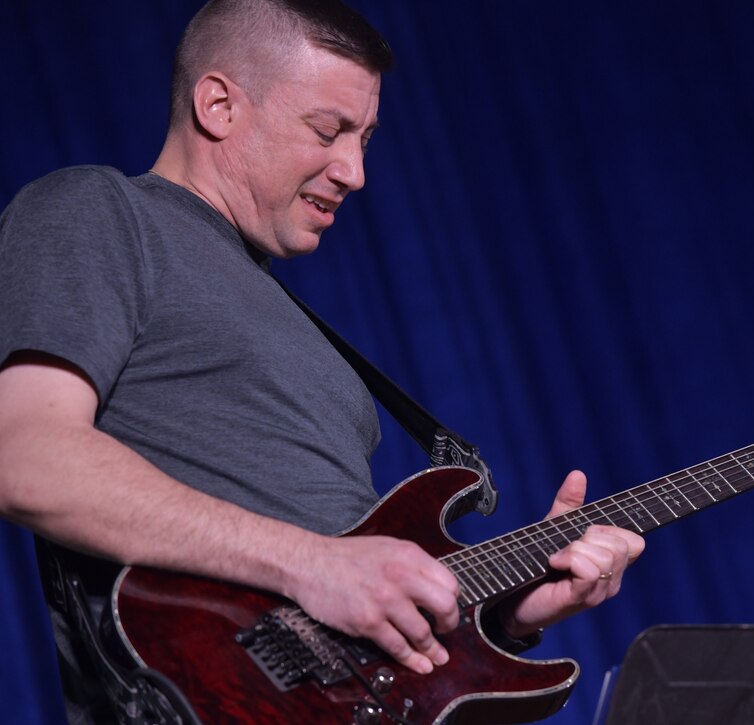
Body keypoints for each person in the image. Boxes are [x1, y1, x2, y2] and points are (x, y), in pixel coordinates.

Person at [0, 0, 644, 720]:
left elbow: (347, 611)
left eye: (366, 138)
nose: (355, 171)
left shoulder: (310, 342)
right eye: (328, 130)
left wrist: (506, 613)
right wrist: (314, 563)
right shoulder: (98, 210)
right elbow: (26, 456)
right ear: (217, 104)